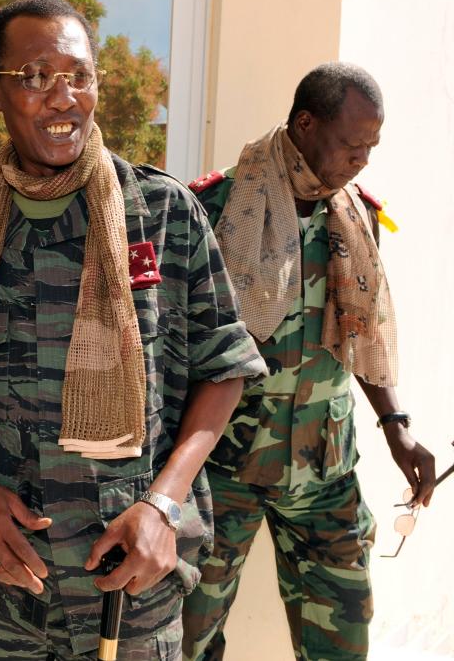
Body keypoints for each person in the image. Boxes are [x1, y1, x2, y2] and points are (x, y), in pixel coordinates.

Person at [0, 0, 266, 660]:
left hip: (127, 581)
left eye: (80, 75)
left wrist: (164, 505)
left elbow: (224, 367)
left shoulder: (163, 213)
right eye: (35, 76)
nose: (64, 99)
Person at [181, 62, 437, 661]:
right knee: (187, 640)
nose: (362, 160)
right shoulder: (215, 208)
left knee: (344, 642)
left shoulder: (357, 216)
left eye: (372, 146)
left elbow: (364, 332)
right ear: (305, 123)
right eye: (352, 143)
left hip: (325, 470)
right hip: (224, 471)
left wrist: (397, 429)